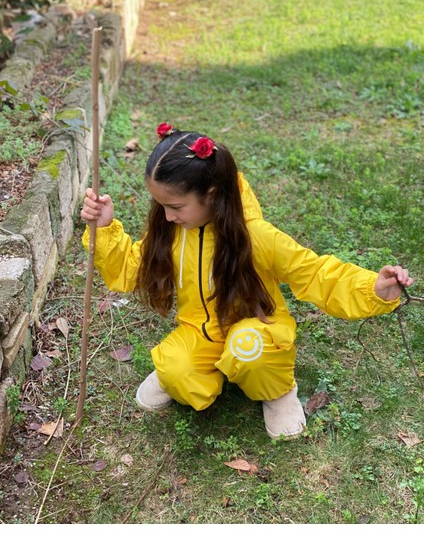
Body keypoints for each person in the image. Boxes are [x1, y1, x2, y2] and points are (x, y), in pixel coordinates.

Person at [81, 123, 413, 439]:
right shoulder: (171, 230)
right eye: (162, 205)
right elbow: (132, 269)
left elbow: (313, 273)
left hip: (258, 326)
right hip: (201, 329)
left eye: (176, 206)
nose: (167, 216)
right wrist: (105, 230)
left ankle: (278, 391)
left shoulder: (255, 236)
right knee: (176, 371)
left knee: (248, 347)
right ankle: (199, 368)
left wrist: (373, 288)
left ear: (210, 195)